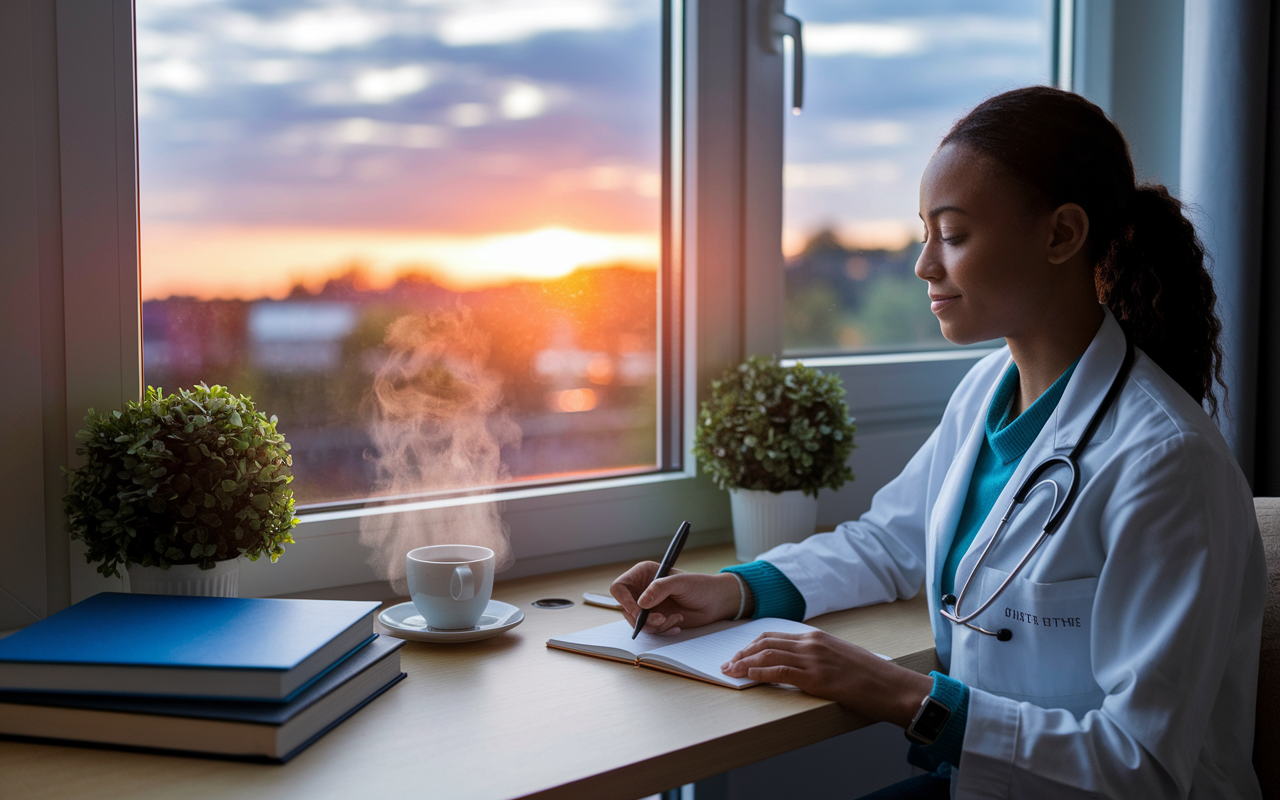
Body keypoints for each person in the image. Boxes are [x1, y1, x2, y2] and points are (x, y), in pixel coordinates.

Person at [609, 86, 1266, 799]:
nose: (924, 265)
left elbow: (1143, 767)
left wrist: (904, 694)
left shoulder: (1167, 463)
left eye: (951, 235)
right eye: (925, 232)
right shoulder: (989, 388)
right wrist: (736, 589)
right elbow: (892, 542)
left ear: (1061, 235)